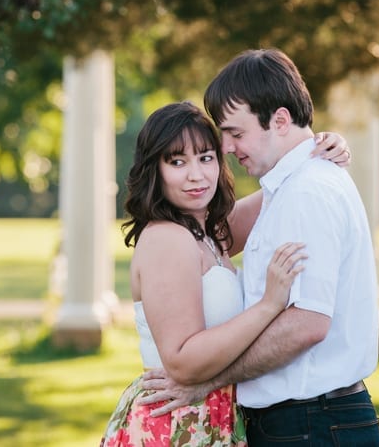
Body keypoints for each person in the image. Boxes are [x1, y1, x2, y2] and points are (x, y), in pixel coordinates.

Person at [140, 49, 379, 446]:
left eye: (235, 133)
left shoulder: (306, 191)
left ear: (281, 120)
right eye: (178, 162)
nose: (228, 149)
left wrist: (213, 381)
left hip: (311, 422)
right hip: (302, 420)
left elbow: (306, 324)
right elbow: (223, 230)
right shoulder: (285, 189)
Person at [99, 100, 351, 447]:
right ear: (154, 169)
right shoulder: (167, 239)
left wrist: (318, 148)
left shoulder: (209, 233)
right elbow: (182, 362)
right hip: (176, 422)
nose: (196, 175)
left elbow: (284, 187)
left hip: (212, 414)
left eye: (206, 157)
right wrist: (268, 305)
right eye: (177, 161)